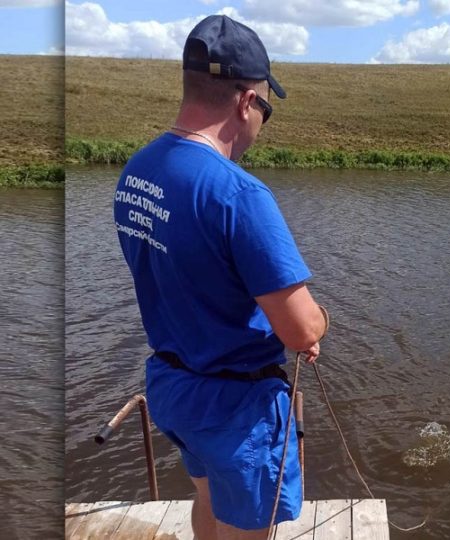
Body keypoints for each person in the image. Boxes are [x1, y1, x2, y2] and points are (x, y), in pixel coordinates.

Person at [113, 14, 328, 540]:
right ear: (245, 101)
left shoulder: (138, 171)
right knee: (248, 526)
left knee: (205, 494)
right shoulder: (239, 195)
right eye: (265, 109)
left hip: (172, 387)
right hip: (235, 405)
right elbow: (301, 330)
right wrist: (320, 320)